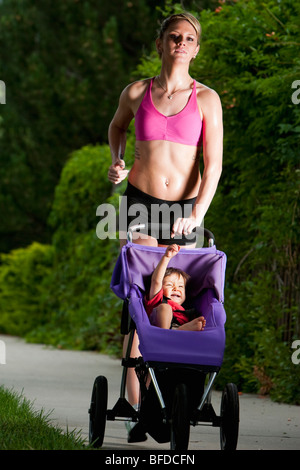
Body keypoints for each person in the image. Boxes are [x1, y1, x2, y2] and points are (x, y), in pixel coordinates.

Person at [108, 11, 223, 441]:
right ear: (160, 43)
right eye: (173, 36)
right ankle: (137, 407)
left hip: (185, 209)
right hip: (140, 204)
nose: (180, 42)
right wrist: (116, 160)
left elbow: (213, 167)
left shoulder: (207, 98)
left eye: (189, 38)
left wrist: (199, 212)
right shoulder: (137, 92)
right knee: (142, 296)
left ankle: (167, 398)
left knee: (176, 297)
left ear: (196, 47)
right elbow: (116, 127)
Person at [144, 243, 206, 331]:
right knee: (165, 307)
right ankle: (168, 333)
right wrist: (166, 257)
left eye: (180, 286)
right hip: (157, 331)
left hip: (180, 337)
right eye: (169, 285)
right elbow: (156, 281)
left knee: (199, 322)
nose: (176, 289)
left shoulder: (188, 312)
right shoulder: (157, 300)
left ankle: (179, 331)